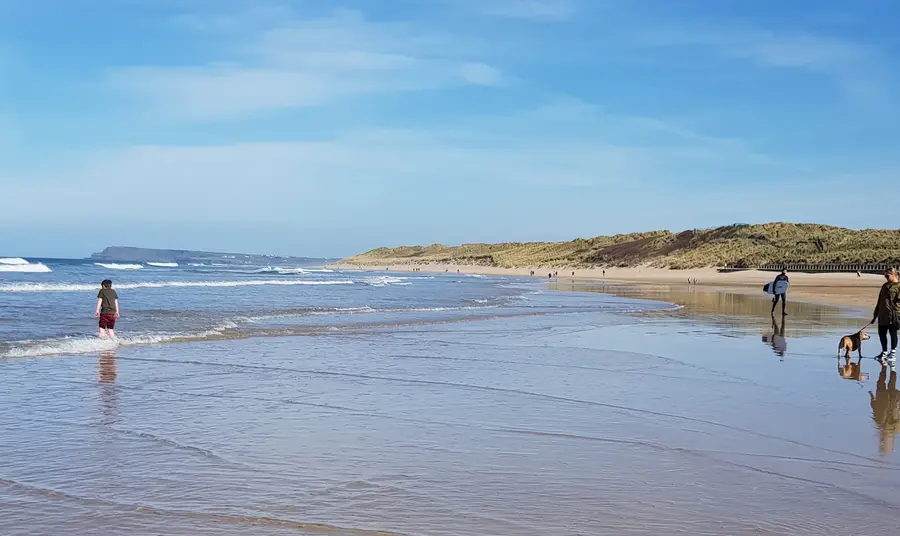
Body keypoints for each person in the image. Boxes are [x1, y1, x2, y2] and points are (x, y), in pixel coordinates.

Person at [872, 267, 900, 366]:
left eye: (887, 276)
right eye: (885, 276)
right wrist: (875, 314)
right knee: (882, 334)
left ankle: (892, 354)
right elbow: (880, 300)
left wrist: (897, 311)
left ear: (893, 275)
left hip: (894, 314)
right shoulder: (884, 286)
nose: (886, 278)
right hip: (882, 314)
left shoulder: (898, 286)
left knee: (893, 334)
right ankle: (884, 353)